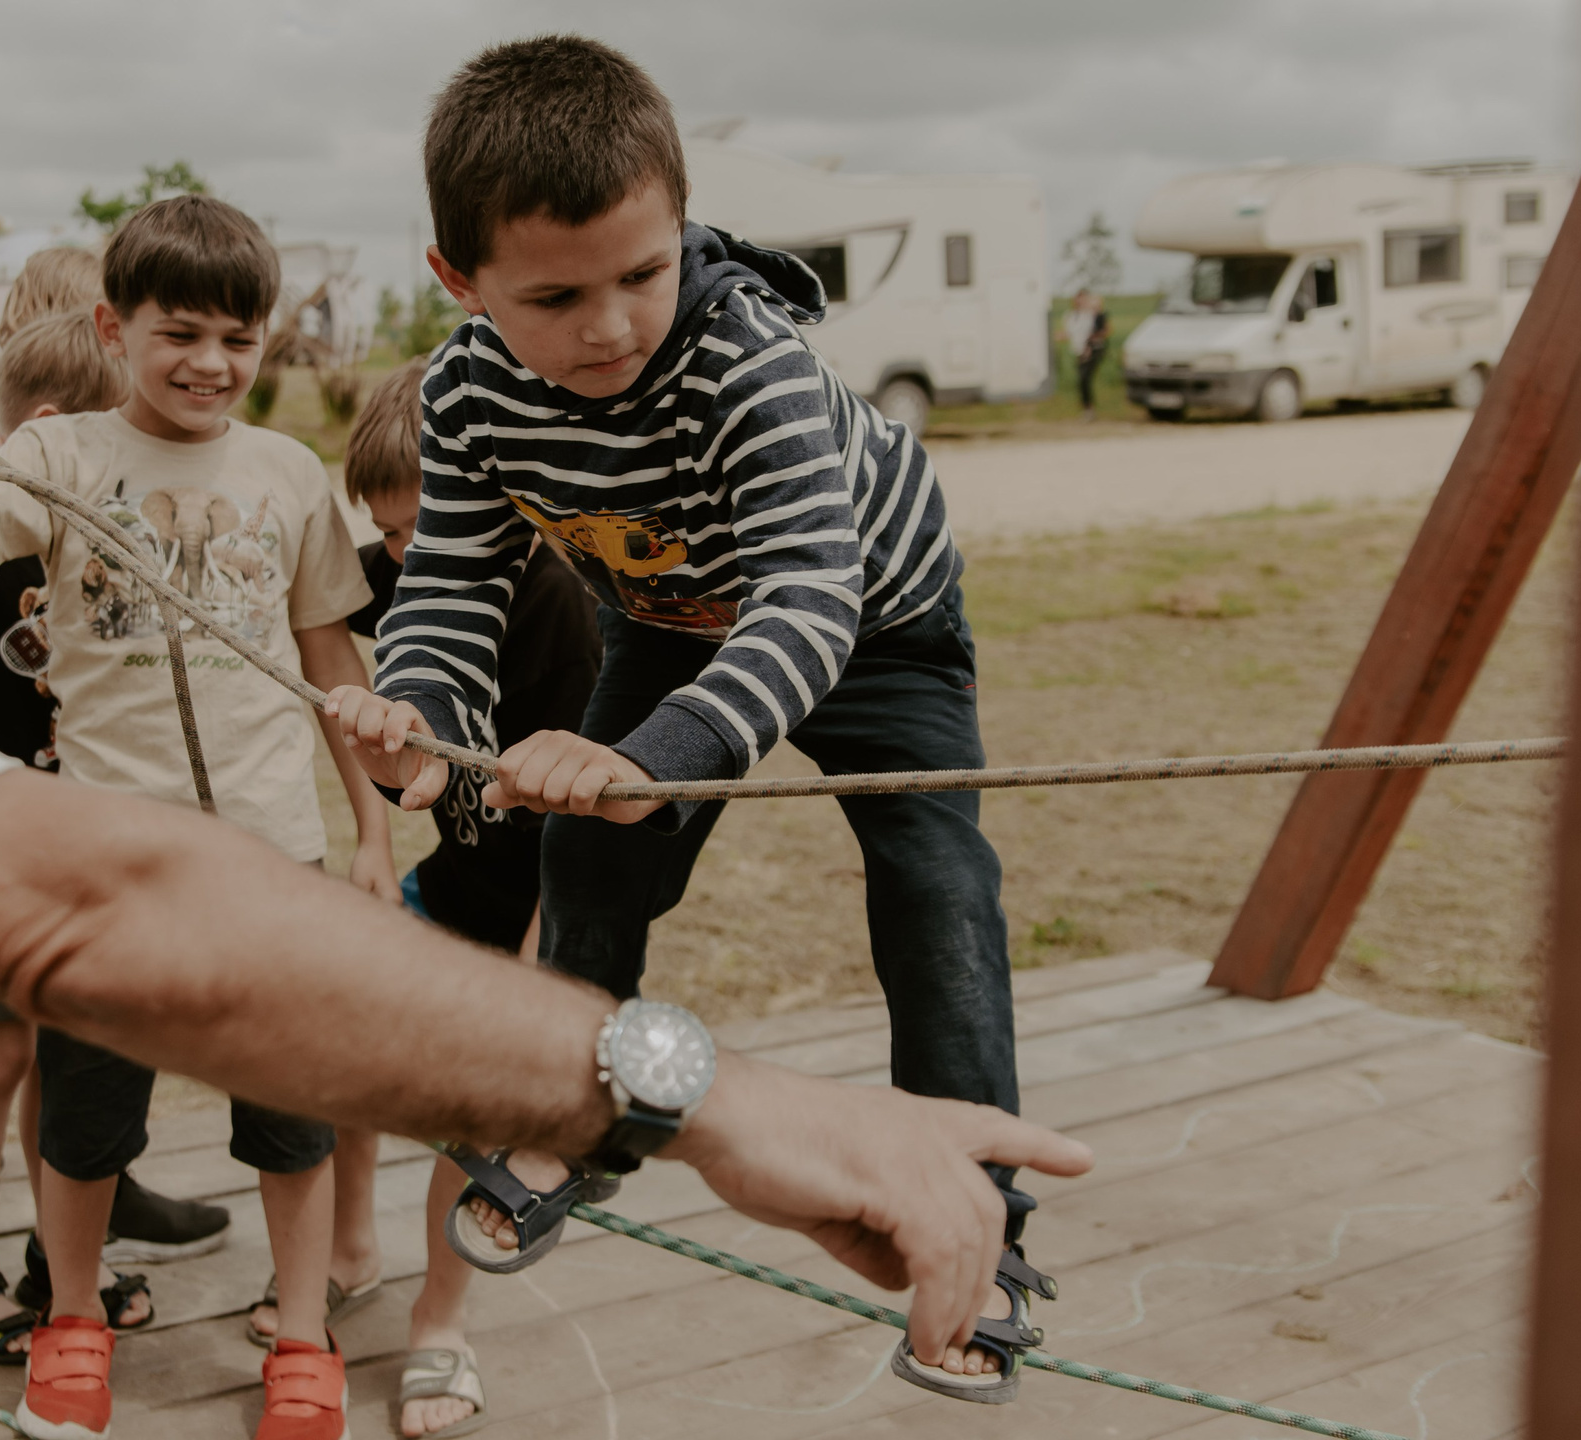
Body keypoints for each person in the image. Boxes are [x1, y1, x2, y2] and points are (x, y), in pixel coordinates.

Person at [0, 3, 1091, 1434]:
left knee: (932, 873)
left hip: (840, 623)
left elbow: (784, 594)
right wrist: (697, 1093)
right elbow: (97, 901)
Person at [327, 35, 1053, 1406]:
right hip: (674, 623)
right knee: (589, 865)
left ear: (679, 231)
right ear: (459, 281)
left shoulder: (742, 355)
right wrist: (418, 716)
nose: (611, 325)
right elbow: (454, 587)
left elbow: (810, 601)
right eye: (555, 295)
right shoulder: (468, 399)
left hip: (871, 622)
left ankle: (984, 1217)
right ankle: (573, 1124)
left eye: (643, 274)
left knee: (933, 884)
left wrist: (645, 760)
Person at [0, 194, 405, 1440]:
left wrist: (373, 840)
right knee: (87, 1118)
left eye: (238, 338)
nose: (210, 364)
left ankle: (304, 1335)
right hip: (109, 868)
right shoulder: (59, 460)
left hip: (275, 864)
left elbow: (331, 663)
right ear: (114, 329)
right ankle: (69, 1320)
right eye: (180, 335)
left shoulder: (287, 474)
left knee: (291, 1120)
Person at [339, 357, 604, 1437]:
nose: (402, 560)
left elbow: (585, 852)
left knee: (479, 1123)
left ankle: (440, 1319)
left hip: (536, 909)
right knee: (339, 1060)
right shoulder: (400, 568)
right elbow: (312, 602)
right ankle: (350, 1242)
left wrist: (542, 978)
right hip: (441, 881)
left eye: (422, 534)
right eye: (388, 534)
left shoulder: (569, 624)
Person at [1061, 288, 1110, 419]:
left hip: (1091, 350)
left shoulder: (1092, 314)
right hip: (1079, 351)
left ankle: (1089, 410)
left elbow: (1101, 330)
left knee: (1084, 378)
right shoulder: (1070, 315)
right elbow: (1070, 333)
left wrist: (1089, 347)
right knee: (1082, 380)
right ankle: (1087, 408)